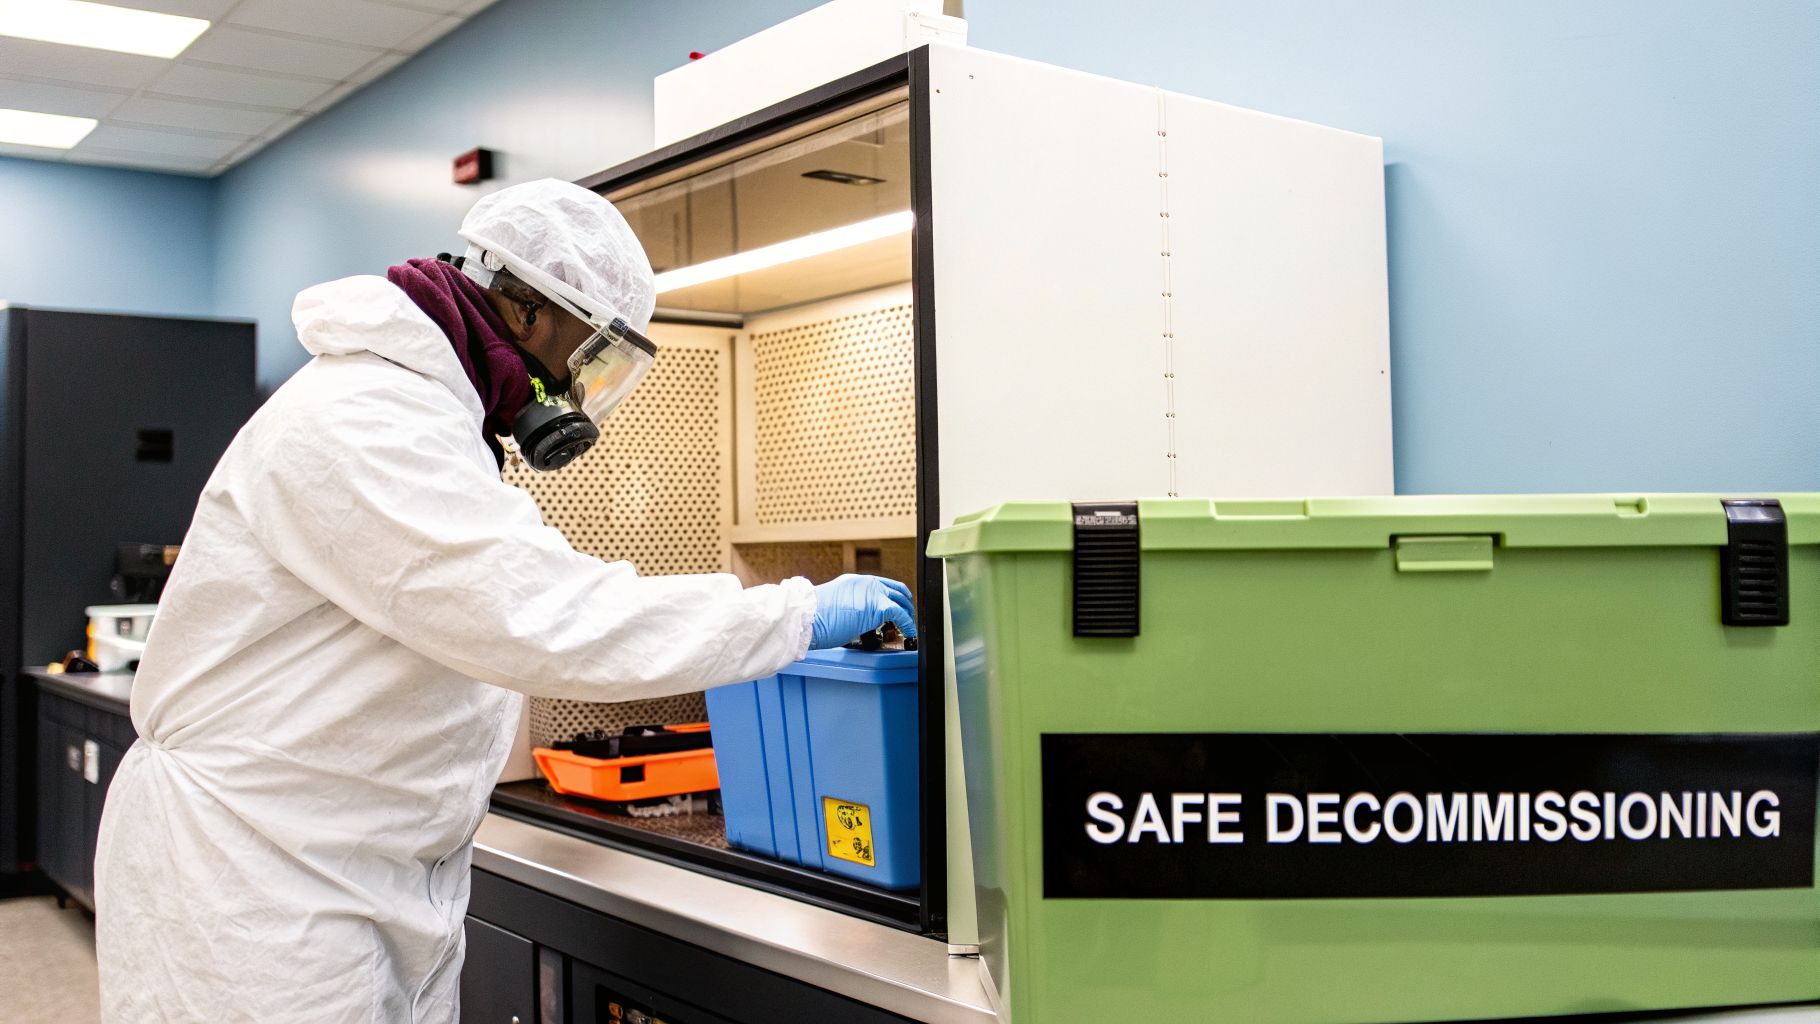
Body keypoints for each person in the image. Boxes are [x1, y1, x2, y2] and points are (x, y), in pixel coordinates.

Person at [92, 178, 916, 1023]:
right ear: (525, 311)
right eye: (589, 356)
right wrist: (795, 615)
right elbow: (545, 616)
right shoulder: (367, 419)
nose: (576, 389)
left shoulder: (424, 414)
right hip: (256, 881)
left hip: (335, 859)